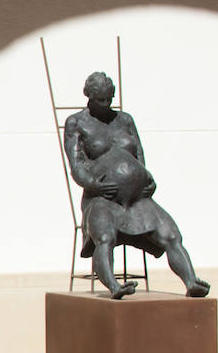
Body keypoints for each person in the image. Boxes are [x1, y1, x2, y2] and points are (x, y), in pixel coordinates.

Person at [64, 71, 210, 299]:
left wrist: (146, 179)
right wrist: (94, 184)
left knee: (171, 235)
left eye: (108, 99)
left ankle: (191, 282)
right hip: (102, 198)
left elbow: (139, 156)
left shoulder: (125, 120)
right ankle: (114, 286)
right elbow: (77, 164)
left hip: (138, 199)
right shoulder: (76, 122)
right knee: (104, 237)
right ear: (89, 97)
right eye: (100, 100)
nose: (105, 104)